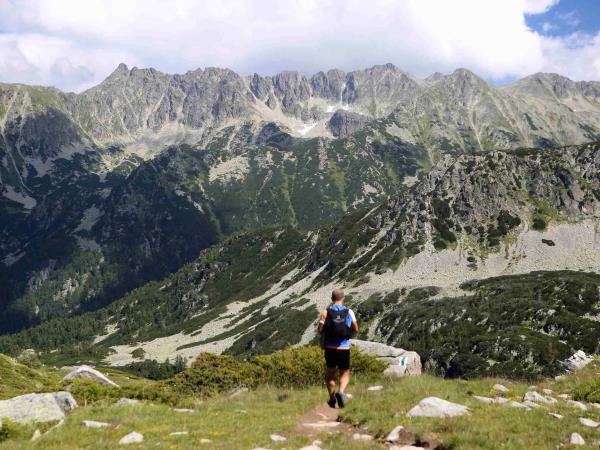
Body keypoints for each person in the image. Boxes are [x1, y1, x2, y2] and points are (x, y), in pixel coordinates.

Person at [317, 288, 359, 408]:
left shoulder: (326, 312)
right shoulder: (349, 312)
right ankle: (341, 392)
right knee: (344, 372)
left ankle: (332, 399)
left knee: (330, 373)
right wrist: (348, 333)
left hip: (330, 347)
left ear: (332, 298)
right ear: (343, 298)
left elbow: (320, 330)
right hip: (344, 348)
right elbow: (356, 329)